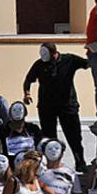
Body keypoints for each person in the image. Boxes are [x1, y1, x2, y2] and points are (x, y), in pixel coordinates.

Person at [23, 42, 89, 172]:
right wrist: (27, 93)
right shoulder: (39, 64)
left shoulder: (69, 60)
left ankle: (80, 162)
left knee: (74, 135)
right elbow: (28, 80)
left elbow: (87, 64)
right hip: (46, 106)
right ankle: (52, 164)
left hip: (67, 104)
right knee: (49, 136)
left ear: (55, 53)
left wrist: (94, 55)